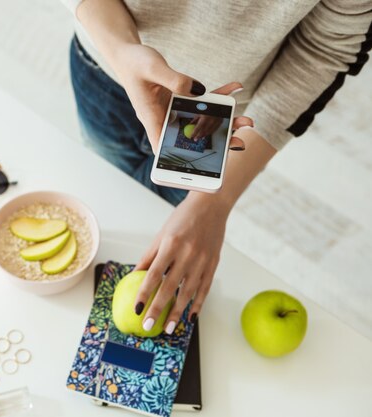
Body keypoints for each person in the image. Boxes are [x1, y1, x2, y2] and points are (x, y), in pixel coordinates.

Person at [61, 0, 372, 334]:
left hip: (213, 123)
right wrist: (121, 50)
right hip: (104, 67)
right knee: (113, 210)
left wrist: (215, 200)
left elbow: (326, 47)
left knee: (149, 232)